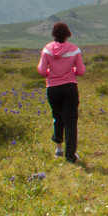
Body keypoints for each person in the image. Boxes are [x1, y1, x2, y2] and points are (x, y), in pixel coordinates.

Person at [37, 22, 85, 164]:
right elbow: (81, 71)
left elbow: (41, 71)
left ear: (54, 34)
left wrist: (51, 73)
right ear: (67, 34)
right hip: (69, 87)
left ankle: (58, 148)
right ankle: (71, 156)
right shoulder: (75, 50)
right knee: (71, 120)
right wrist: (72, 72)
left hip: (52, 88)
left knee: (57, 117)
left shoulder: (47, 49)